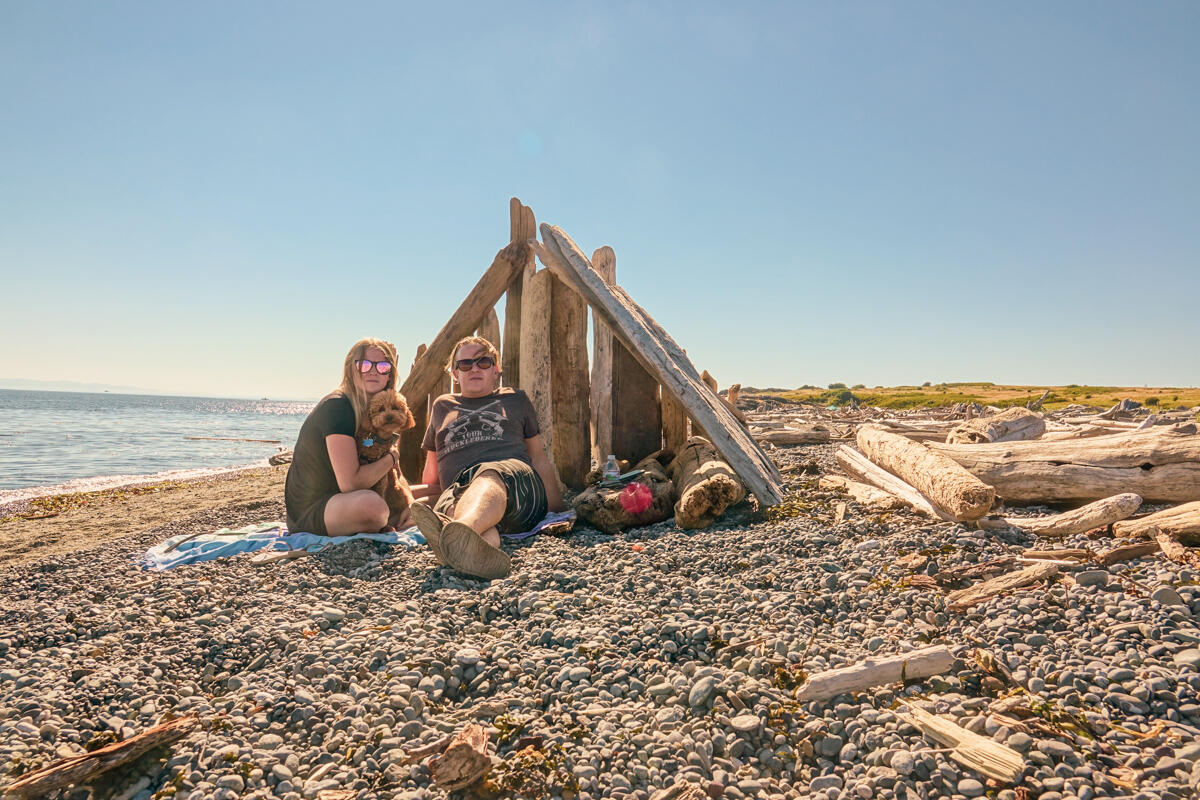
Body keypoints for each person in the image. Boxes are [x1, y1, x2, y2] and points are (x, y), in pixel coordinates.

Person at [409, 335, 565, 579]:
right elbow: (432, 475)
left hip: (515, 483)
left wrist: (558, 510)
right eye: (465, 364)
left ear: (496, 369)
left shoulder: (515, 399)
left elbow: (539, 458)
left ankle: (458, 530)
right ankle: (473, 552)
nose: (474, 369)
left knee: (488, 475)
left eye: (483, 362)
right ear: (454, 374)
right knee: (460, 505)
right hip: (460, 490)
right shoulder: (442, 406)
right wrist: (403, 500)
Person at [285, 338, 411, 535]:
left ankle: (401, 516)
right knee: (373, 507)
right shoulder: (339, 407)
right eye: (364, 364)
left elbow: (390, 477)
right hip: (314, 509)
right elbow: (350, 484)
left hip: (344, 500)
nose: (373, 371)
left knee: (420, 494)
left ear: (390, 374)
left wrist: (409, 505)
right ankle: (388, 518)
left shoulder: (369, 413)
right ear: (351, 369)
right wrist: (392, 457)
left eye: (383, 366)